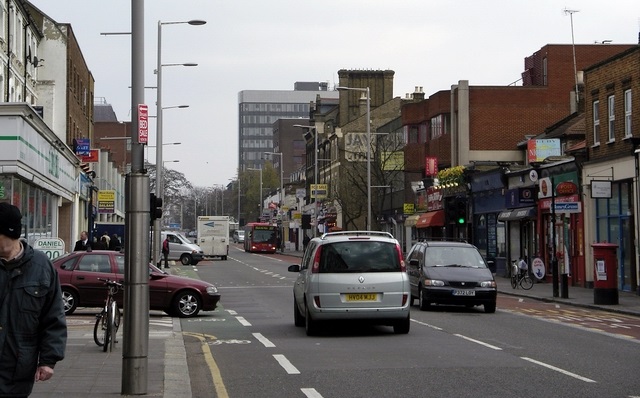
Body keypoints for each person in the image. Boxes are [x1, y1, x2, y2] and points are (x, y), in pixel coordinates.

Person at [0, 203, 67, 396]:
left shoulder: (42, 267)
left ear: (9, 234)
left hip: (17, 368)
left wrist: (48, 360)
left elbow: (53, 316)